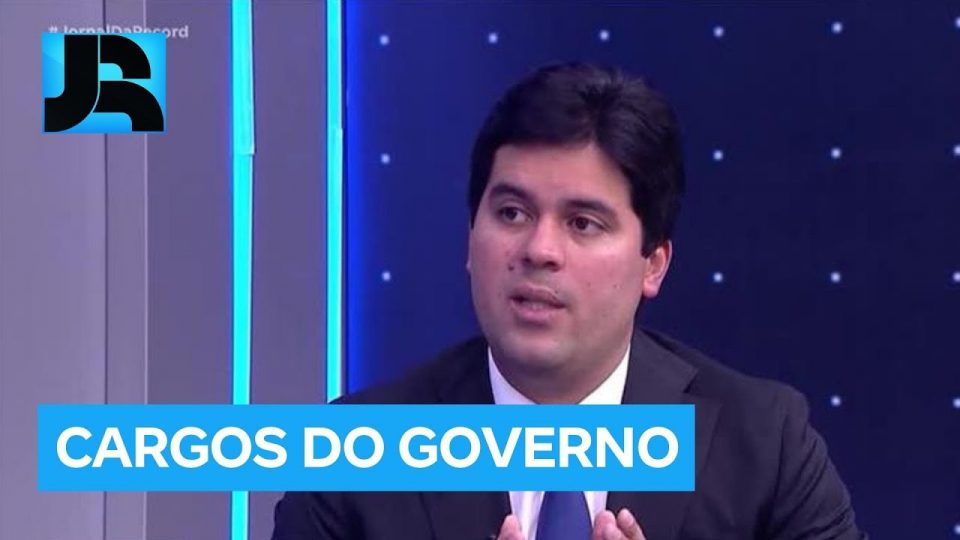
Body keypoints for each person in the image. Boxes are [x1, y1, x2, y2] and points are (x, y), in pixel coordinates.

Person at [272, 63, 866, 540]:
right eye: (512, 213)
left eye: (583, 223)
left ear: (653, 263)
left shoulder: (764, 444)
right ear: (470, 238)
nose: (539, 250)